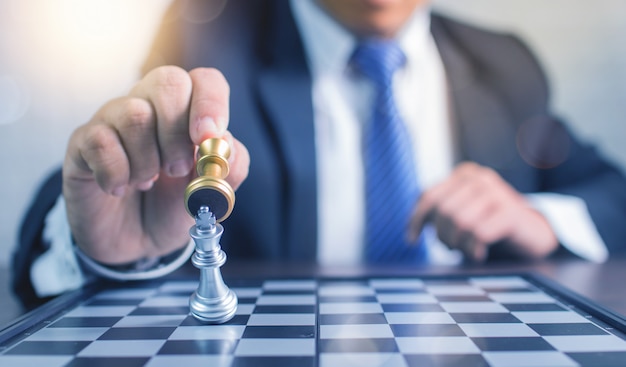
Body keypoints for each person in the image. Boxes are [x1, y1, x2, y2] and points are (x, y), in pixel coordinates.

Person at [12, 0, 626, 309]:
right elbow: (115, 161)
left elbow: (609, 191)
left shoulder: (502, 64)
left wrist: (543, 219)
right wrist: (95, 247)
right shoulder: (209, 36)